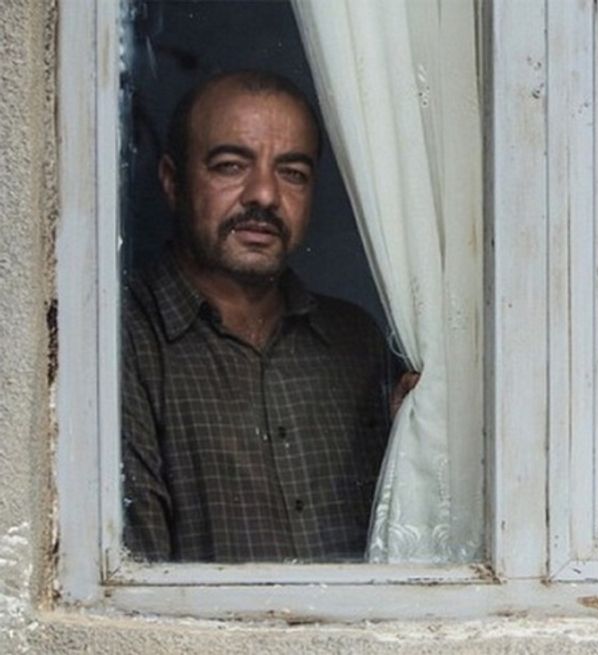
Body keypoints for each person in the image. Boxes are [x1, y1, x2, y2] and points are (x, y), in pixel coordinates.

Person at [122, 70, 416, 562]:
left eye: (292, 173)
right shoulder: (119, 340)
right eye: (231, 166)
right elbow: (127, 585)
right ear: (173, 182)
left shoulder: (358, 341)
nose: (264, 194)